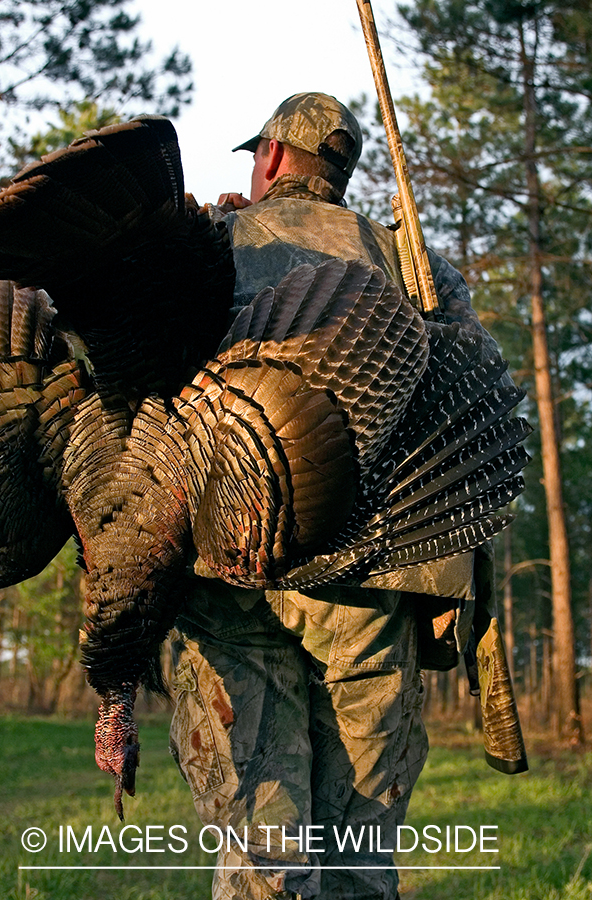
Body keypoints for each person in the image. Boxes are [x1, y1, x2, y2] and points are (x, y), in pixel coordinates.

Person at [169, 92, 500, 900]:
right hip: (376, 574)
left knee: (263, 849)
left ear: (274, 158)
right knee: (357, 851)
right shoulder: (409, 264)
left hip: (228, 569)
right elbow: (470, 402)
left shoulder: (209, 243)